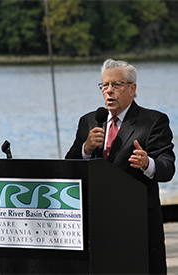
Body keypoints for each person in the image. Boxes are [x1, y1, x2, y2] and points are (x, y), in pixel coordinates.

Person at [65, 58, 175, 274]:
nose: (109, 91)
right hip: (97, 226)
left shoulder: (153, 121)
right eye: (104, 85)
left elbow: (167, 167)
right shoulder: (89, 121)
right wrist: (85, 149)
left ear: (132, 89)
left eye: (116, 85)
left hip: (138, 227)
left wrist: (148, 164)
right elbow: (68, 168)